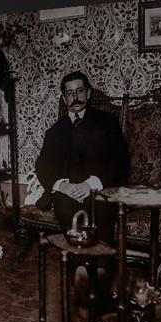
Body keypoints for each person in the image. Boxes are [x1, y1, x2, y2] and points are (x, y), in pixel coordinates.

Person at [35, 70, 130, 240]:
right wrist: (63, 186)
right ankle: (78, 263)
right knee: (64, 206)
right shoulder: (54, 131)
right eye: (70, 93)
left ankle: (99, 264)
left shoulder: (107, 122)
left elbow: (120, 161)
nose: (75, 97)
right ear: (64, 99)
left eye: (79, 91)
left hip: (100, 189)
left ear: (88, 93)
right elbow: (42, 166)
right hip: (67, 192)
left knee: (100, 207)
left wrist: (91, 185)